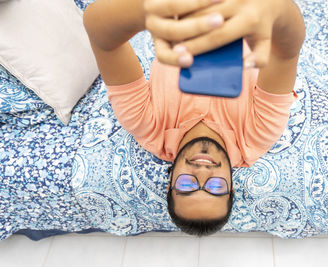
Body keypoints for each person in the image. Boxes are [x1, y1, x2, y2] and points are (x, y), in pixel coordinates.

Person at [83, 0, 305, 236]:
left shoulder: (144, 123)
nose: (201, 173)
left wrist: (151, 10)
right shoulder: (258, 133)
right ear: (231, 188)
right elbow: (286, 50)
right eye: (215, 187)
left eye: (187, 186)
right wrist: (272, 8)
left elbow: (98, 32)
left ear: (170, 184)